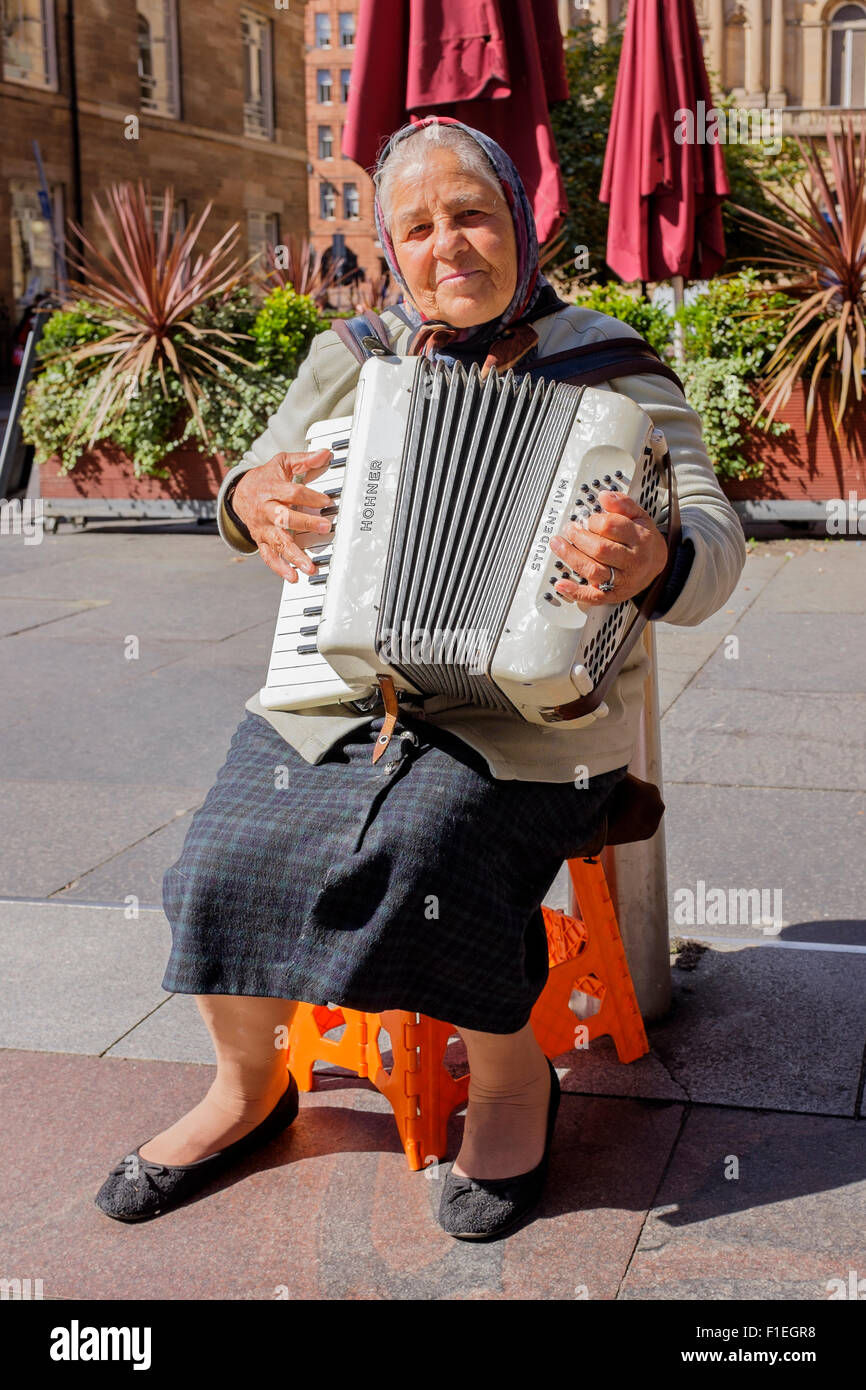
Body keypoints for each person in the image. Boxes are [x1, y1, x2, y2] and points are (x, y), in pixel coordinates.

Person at [94, 116, 746, 1241]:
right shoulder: (349, 360)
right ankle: (247, 1090)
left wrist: (658, 559)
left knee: (428, 853)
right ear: (390, 248)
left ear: (519, 226)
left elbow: (713, 533)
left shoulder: (613, 365)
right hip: (336, 694)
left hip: (534, 720)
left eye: (472, 215)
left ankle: (510, 1083)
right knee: (215, 858)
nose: (448, 245)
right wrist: (248, 503)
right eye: (418, 227)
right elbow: (257, 481)